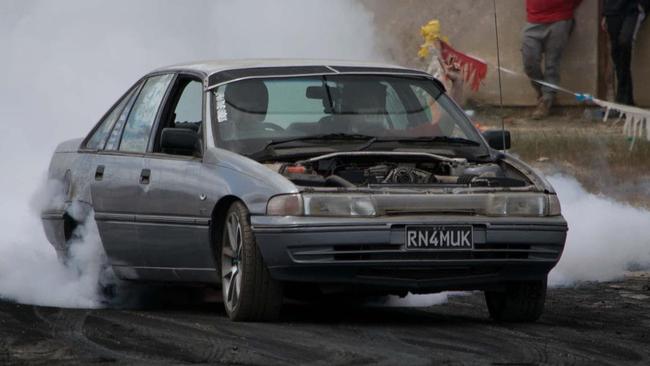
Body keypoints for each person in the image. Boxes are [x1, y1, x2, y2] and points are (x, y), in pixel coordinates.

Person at [522, 0, 582, 119]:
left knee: (552, 64)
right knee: (529, 62)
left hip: (560, 18)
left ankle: (546, 100)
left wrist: (567, 8)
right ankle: (542, 92)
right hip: (534, 19)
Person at [602, 0, 649, 106]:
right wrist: (605, 13)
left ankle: (623, 97)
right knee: (617, 53)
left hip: (633, 9)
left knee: (625, 42)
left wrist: (642, 5)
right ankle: (625, 99)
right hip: (612, 11)